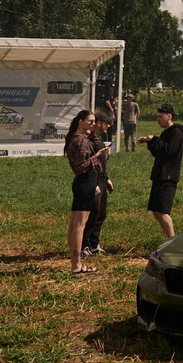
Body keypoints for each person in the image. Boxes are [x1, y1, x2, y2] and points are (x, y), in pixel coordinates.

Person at [64, 111, 108, 272]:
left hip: (82, 183)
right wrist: (97, 156)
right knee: (79, 226)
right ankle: (76, 265)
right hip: (85, 181)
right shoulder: (81, 141)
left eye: (95, 122)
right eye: (90, 122)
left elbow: (95, 142)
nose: (93, 124)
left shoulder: (79, 137)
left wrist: (91, 134)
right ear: (81, 121)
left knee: (74, 225)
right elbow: (80, 166)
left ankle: (74, 262)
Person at [143, 106, 183, 242]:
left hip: (168, 176)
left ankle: (173, 241)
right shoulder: (165, 133)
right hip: (159, 175)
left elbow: (168, 151)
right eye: (157, 116)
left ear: (169, 116)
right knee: (156, 210)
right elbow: (158, 152)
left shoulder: (176, 133)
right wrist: (150, 142)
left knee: (163, 211)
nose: (158, 119)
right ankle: (170, 239)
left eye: (160, 116)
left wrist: (154, 139)